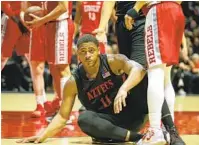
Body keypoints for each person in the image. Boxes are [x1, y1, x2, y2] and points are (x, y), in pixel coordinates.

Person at [17, 34, 184, 144]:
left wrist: (123, 89)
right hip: (108, 123)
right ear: (78, 55)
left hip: (133, 114)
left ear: (98, 51)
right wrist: (42, 136)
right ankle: (139, 139)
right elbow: (62, 116)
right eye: (83, 52)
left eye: (91, 50)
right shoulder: (73, 81)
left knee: (147, 80)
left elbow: (138, 69)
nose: (88, 55)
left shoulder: (113, 61)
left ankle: (172, 132)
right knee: (84, 119)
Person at [124, 1, 185, 144]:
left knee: (155, 71)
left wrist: (135, 9)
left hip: (159, 10)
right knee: (165, 76)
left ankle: (155, 130)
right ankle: (167, 131)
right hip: (176, 10)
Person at [21, 1, 75, 116]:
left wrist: (41, 20)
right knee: (55, 68)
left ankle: (66, 110)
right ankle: (59, 105)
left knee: (63, 69)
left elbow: (63, 7)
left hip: (60, 25)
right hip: (50, 25)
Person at [1, 1, 29, 70]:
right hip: (12, 18)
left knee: (34, 60)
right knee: (3, 56)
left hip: (32, 19)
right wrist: (17, 20)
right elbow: (3, 3)